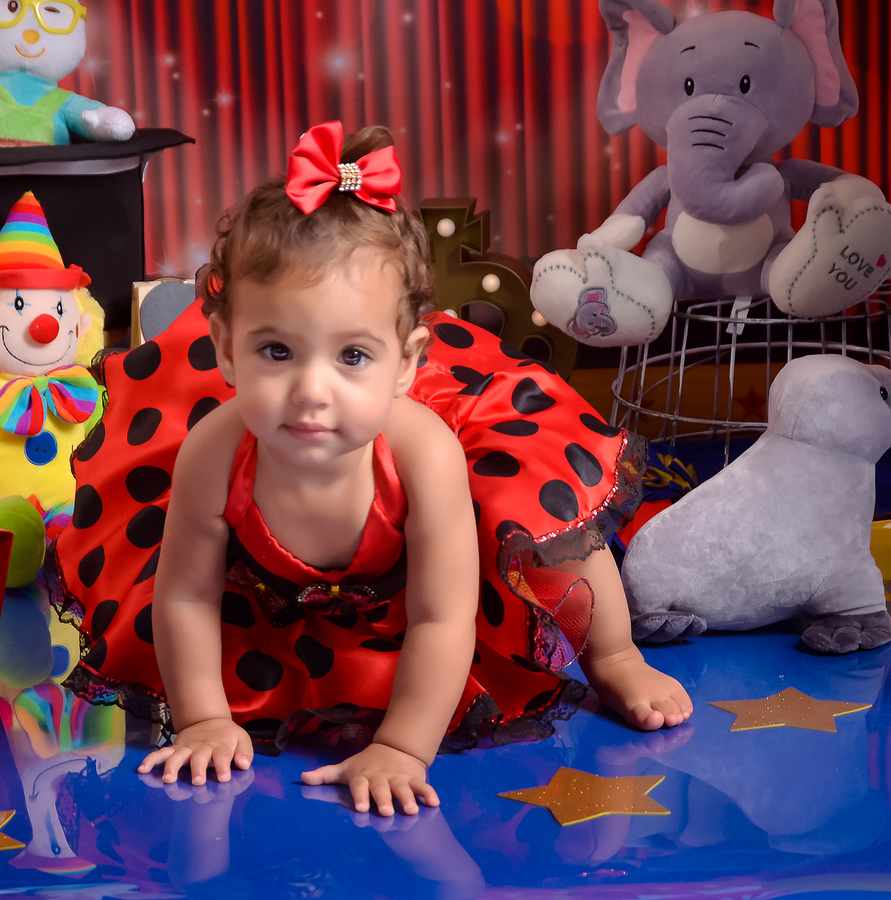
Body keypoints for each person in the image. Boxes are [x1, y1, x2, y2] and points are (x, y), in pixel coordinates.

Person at [49, 121, 692, 818]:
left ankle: (616, 656)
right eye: (276, 352)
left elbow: (442, 616)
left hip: (444, 571)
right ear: (227, 349)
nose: (312, 390)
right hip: (285, 595)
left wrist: (403, 748)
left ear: (407, 363)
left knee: (544, 524)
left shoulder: (425, 454)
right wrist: (204, 719)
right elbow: (186, 598)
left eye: (352, 356)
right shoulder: (213, 451)